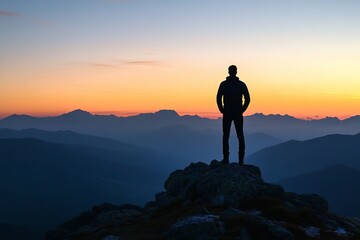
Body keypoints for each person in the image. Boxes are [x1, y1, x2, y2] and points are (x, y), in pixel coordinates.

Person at [216, 65, 250, 165]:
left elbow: (218, 98)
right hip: (237, 113)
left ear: (228, 72)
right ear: (236, 72)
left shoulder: (224, 84)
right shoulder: (241, 85)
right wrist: (242, 110)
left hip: (227, 113)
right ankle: (241, 160)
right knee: (240, 136)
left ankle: (226, 159)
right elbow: (247, 99)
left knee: (226, 136)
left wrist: (222, 109)